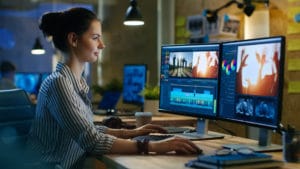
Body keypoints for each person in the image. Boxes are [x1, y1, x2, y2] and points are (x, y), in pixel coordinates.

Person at [27, 7, 201, 169]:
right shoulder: (58, 83)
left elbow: (87, 129)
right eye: (95, 38)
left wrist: (129, 133)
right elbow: (91, 140)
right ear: (73, 39)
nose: (102, 45)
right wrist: (155, 146)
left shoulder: (74, 82)